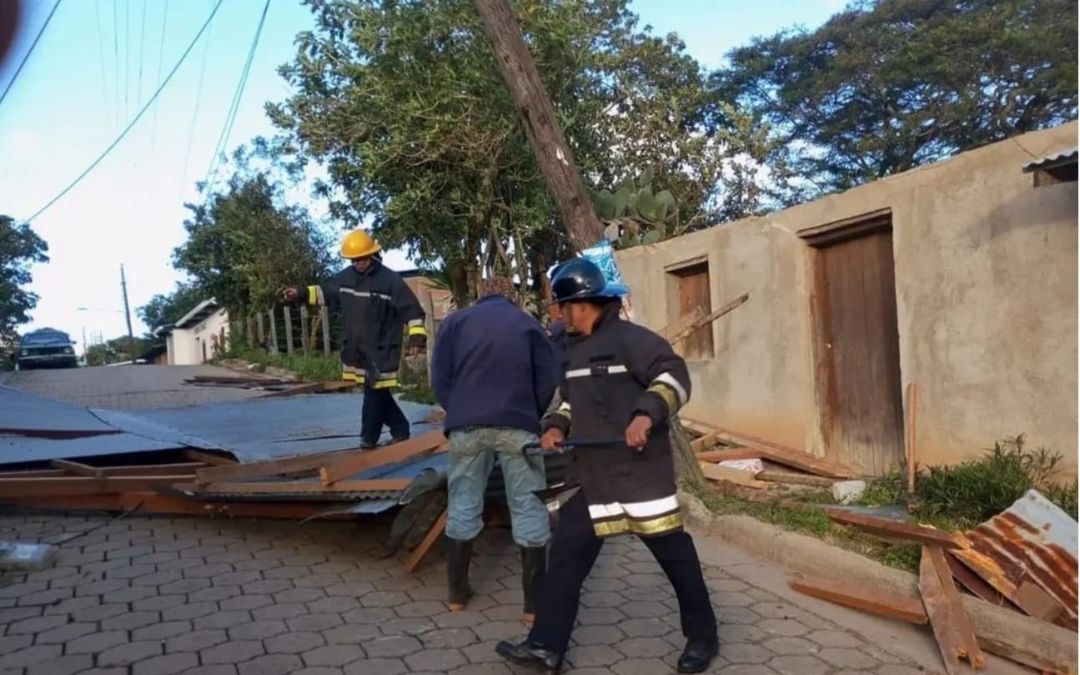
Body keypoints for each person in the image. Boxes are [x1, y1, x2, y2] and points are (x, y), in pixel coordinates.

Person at [496, 258, 719, 674]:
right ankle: (546, 647)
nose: (562, 315)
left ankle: (703, 637)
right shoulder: (572, 352)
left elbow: (673, 377)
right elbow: (566, 400)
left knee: (676, 560)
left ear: (582, 304)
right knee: (564, 557)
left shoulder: (634, 340)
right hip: (593, 481)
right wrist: (554, 425)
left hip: (641, 480)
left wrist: (645, 415)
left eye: (564, 307)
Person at [431, 276, 561, 622]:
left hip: (466, 426)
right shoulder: (527, 324)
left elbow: (440, 376)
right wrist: (529, 413)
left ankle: (457, 595)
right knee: (529, 505)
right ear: (513, 297)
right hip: (517, 425)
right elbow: (548, 377)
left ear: (480, 295)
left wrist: (458, 408)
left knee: (463, 502)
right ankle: (533, 606)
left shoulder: (456, 322)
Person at [283, 229, 426, 448]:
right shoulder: (346, 278)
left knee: (373, 393)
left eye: (361, 258)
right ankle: (400, 429)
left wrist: (416, 340)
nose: (358, 263)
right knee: (377, 393)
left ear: (371, 254)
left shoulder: (390, 281)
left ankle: (368, 438)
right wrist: (300, 293)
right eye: (354, 259)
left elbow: (413, 311)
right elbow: (325, 292)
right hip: (357, 350)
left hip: (382, 349)